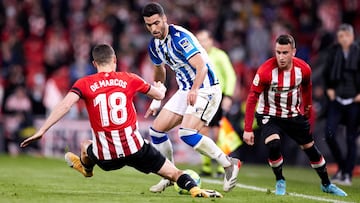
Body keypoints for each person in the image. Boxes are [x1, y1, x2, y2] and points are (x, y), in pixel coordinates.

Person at [19, 44, 223, 198]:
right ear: (114, 60)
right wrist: (160, 88)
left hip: (106, 157)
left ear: (94, 64)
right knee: (175, 172)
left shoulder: (84, 83)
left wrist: (42, 130)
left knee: (85, 145)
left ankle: (87, 169)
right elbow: (159, 96)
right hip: (136, 150)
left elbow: (65, 106)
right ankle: (196, 190)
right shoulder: (129, 78)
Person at [141, 2, 241, 193]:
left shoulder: (180, 38)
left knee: (186, 133)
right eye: (148, 25)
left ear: (164, 19)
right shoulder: (154, 45)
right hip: (186, 89)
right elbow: (160, 72)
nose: (153, 28)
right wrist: (156, 99)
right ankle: (170, 175)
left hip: (206, 88)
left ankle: (229, 164)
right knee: (156, 131)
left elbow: (201, 67)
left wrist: (195, 89)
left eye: (156, 23)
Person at [242, 34, 347, 196]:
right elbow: (251, 98)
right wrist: (248, 128)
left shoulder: (303, 69)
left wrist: (307, 110)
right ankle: (280, 180)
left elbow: (307, 89)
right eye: (278, 52)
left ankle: (326, 184)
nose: (281, 57)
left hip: (292, 114)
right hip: (269, 114)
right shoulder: (265, 71)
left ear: (294, 52)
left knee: (310, 149)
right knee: (274, 144)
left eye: (285, 53)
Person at [195, 30, 239, 178]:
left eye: (204, 40)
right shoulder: (197, 57)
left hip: (219, 98)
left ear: (211, 41)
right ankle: (206, 167)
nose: (201, 43)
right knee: (203, 131)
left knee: (219, 132)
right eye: (199, 40)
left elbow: (230, 76)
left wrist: (228, 96)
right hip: (203, 97)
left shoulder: (220, 56)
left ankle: (222, 166)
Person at [323, 23, 360, 186]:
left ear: (352, 37)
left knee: (351, 138)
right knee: (329, 134)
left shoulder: (358, 52)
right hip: (336, 100)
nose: (343, 39)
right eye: (340, 36)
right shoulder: (333, 52)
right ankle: (342, 166)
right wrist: (328, 89)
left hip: (354, 101)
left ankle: (346, 174)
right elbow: (325, 74)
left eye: (345, 36)